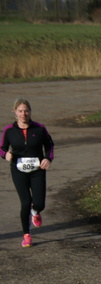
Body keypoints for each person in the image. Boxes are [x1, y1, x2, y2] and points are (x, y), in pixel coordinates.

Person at [1, 98, 54, 247]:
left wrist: (47, 159)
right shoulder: (9, 130)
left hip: (37, 170)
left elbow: (49, 145)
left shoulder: (39, 128)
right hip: (18, 170)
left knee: (39, 203)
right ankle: (27, 235)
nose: (23, 114)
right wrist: (6, 155)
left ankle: (36, 212)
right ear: (15, 112)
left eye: (26, 111)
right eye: (20, 111)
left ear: (30, 112)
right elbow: (2, 148)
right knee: (25, 202)